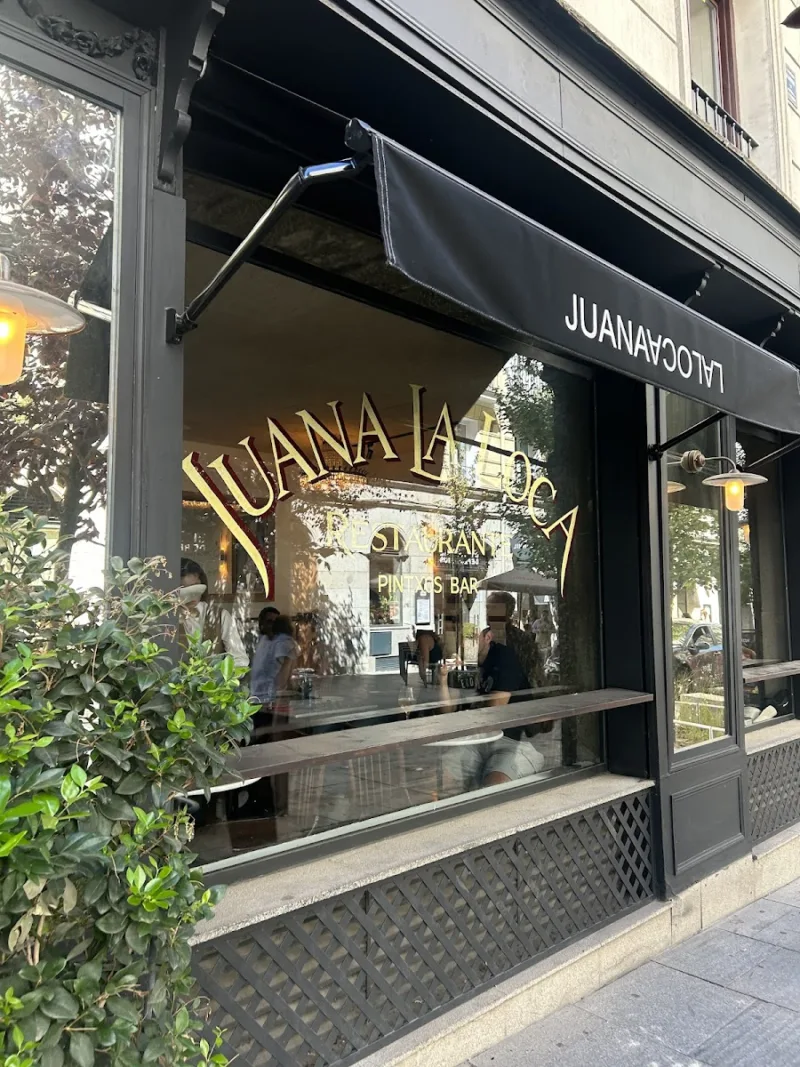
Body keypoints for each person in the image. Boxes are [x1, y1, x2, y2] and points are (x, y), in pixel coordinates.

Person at [179, 557, 248, 668]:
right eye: (185, 589)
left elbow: (240, 660)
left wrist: (219, 674)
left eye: (196, 587)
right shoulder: (166, 617)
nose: (193, 594)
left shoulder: (220, 616)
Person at [250, 612, 299, 706]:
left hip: (255, 694)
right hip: (268, 697)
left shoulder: (265, 641)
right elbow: (282, 680)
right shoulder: (286, 644)